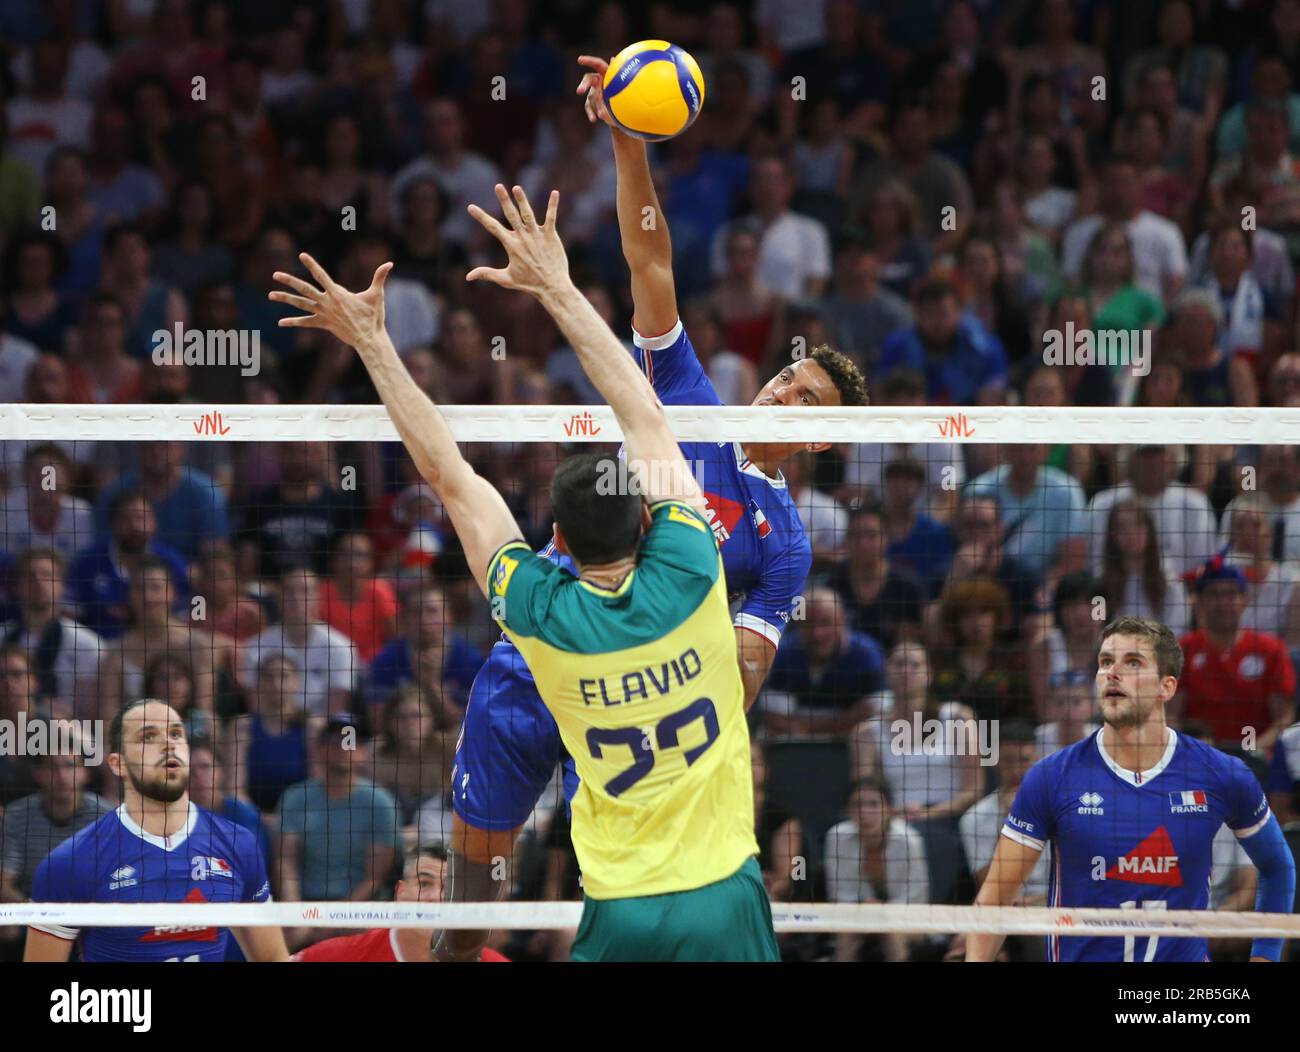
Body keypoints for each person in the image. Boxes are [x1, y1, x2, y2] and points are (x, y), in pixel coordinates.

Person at [384, 56, 867, 963]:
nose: (780, 393)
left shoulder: (785, 541)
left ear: (823, 441)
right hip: (544, 653)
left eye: (805, 400)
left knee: (611, 887)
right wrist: (627, 138)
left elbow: (746, 676)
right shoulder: (685, 397)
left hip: (644, 714)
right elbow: (650, 258)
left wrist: (644, 676)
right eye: (785, 376)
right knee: (478, 870)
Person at [268, 178, 800, 962]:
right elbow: (642, 412)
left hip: (621, 912)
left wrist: (373, 345)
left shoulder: (540, 613)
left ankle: (457, 942)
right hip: (725, 893)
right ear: (653, 520)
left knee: (480, 859)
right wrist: (556, 285)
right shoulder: (695, 573)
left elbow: (449, 475)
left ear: (555, 538)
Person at [967, 616, 1296, 962]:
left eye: (1133, 663)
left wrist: (1265, 956)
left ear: (1166, 687)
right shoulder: (1051, 776)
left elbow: (1278, 867)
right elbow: (994, 900)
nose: (1113, 673)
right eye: (1106, 662)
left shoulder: (1223, 774)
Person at [24, 699, 288, 962]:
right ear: (118, 764)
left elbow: (273, 957)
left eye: (175, 733)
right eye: (148, 737)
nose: (168, 744)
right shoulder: (71, 861)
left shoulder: (238, 844)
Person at [292, 843, 507, 962]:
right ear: (400, 893)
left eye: (449, 889)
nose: (435, 897)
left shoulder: (490, 961)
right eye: (424, 883)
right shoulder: (339, 956)